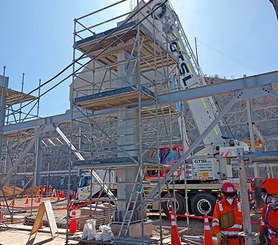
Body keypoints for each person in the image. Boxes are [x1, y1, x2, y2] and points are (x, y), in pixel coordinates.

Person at [256, 178, 278, 244]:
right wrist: (260, 233)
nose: (263, 197)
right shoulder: (266, 209)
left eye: (264, 195)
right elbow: (263, 225)